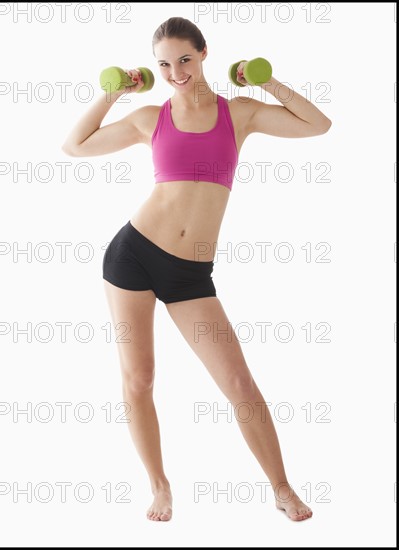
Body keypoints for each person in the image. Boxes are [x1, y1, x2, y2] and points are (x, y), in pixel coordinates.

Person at [62, 16, 331, 522]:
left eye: (184, 59)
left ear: (204, 53)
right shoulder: (151, 118)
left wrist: (265, 80)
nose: (175, 71)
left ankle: (282, 488)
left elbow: (319, 125)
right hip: (133, 254)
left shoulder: (241, 113)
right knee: (139, 378)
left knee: (239, 385)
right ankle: (160, 486)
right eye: (164, 64)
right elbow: (74, 146)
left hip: (190, 275)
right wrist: (113, 90)